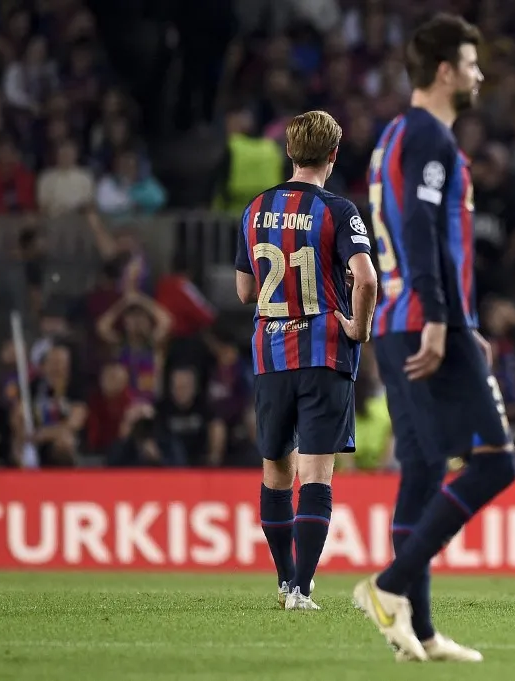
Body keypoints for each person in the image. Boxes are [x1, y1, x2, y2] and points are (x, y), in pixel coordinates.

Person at [353, 13, 515, 662]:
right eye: (472, 64)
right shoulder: (431, 138)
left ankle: (415, 630)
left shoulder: (394, 134)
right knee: (496, 460)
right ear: (446, 71)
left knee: (421, 468)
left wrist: (455, 318)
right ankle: (390, 585)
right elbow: (423, 230)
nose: (480, 74)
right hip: (424, 322)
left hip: (398, 323)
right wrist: (445, 318)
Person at [233, 110, 378, 611]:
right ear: (333, 155)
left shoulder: (255, 208)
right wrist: (358, 327)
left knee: (275, 472)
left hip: (271, 354)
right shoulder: (339, 210)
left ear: (290, 153)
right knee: (315, 475)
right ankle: (303, 588)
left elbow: (244, 289)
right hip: (324, 354)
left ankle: (283, 580)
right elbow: (366, 278)